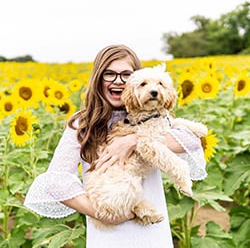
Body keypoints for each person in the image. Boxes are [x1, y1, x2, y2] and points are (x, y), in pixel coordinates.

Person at [24, 44, 207, 248]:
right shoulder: (83, 124)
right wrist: (104, 214)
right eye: (109, 74)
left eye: (126, 74)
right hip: (110, 232)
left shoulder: (152, 114)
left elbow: (192, 141)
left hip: (153, 232)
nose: (118, 81)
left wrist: (133, 141)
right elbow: (55, 180)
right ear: (98, 78)